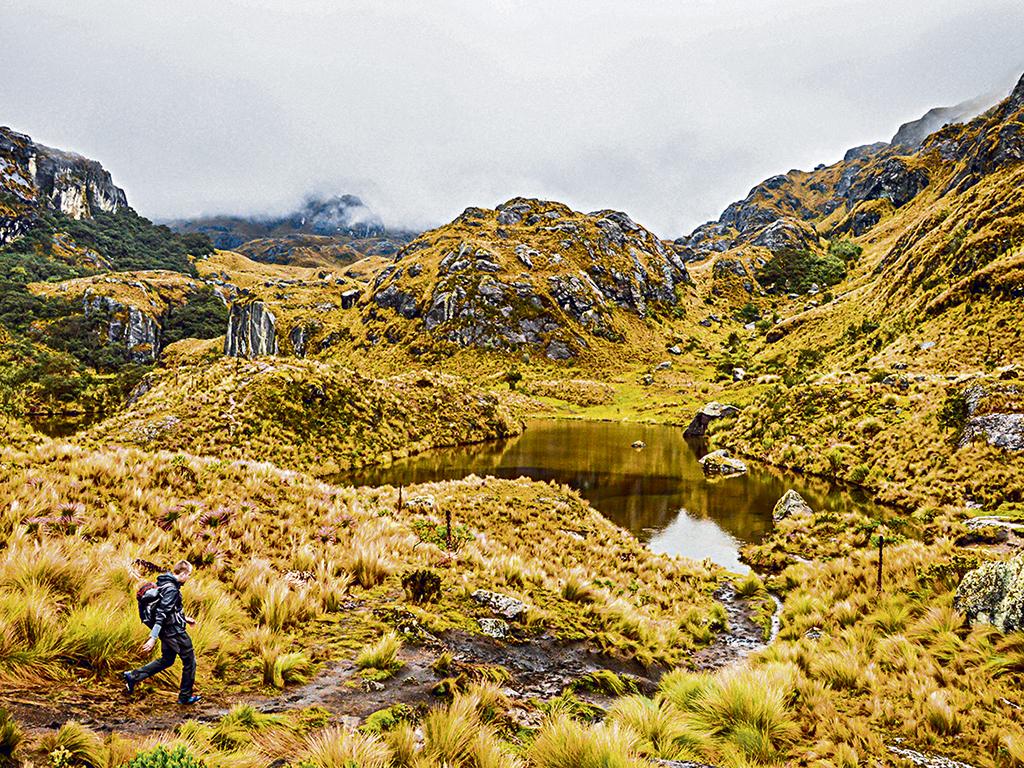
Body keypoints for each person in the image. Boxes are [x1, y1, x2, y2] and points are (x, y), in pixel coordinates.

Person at [122, 559, 201, 705]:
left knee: (167, 660)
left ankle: (133, 676)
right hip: (174, 632)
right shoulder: (171, 589)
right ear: (183, 573)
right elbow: (161, 613)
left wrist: (185, 619)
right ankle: (185, 697)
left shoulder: (163, 583)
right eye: (188, 574)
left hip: (168, 630)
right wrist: (152, 637)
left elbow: (170, 610)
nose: (189, 578)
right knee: (190, 661)